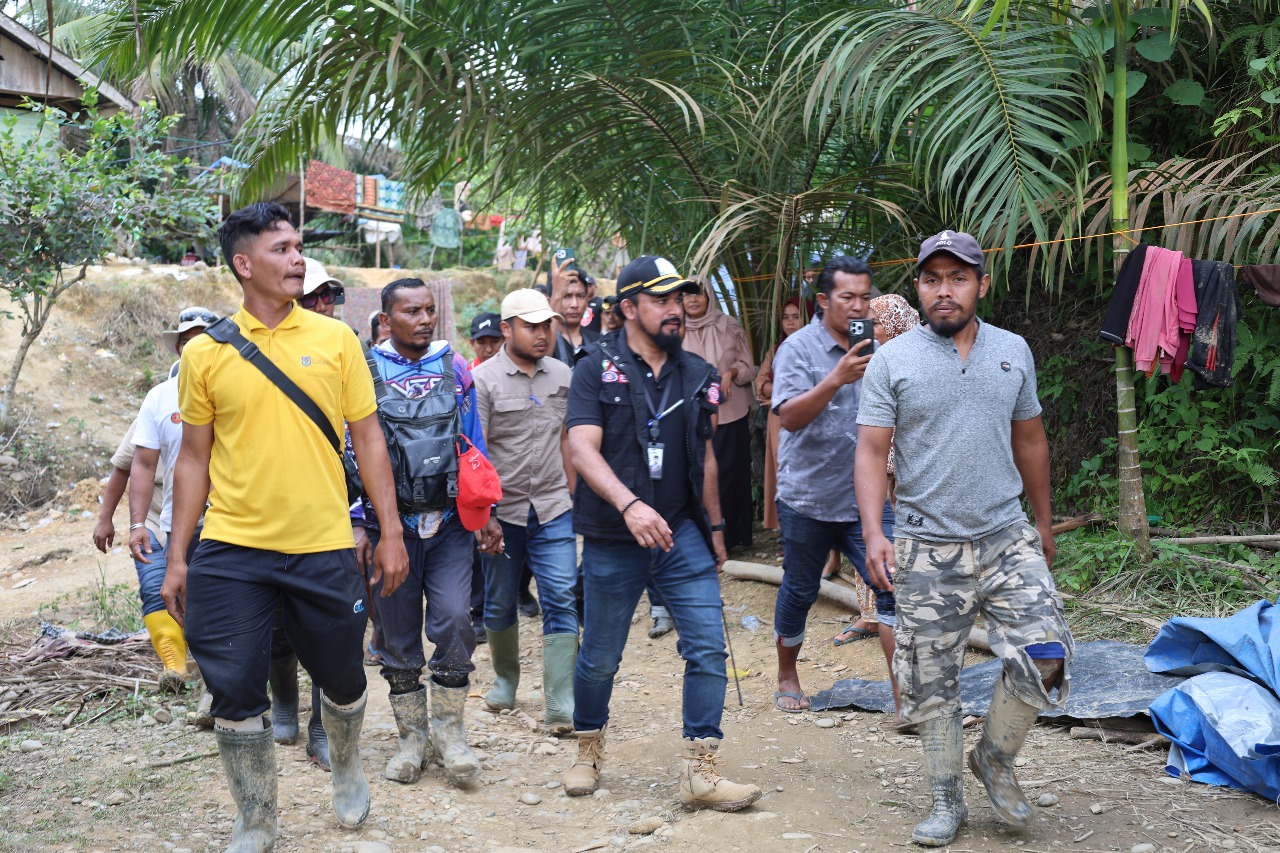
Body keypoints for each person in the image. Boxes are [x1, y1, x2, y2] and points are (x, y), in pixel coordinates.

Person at [164, 202, 409, 848]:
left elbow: (369, 439)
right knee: (232, 685)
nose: (298, 259)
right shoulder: (207, 353)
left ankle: (346, 761)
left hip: (322, 543)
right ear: (244, 264)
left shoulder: (336, 341)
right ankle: (256, 816)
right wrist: (178, 556)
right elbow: (193, 460)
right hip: (233, 547)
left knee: (344, 677)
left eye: (299, 247)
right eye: (282, 249)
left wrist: (390, 531)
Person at [854, 230, 1070, 847]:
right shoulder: (893, 360)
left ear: (981, 284)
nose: (944, 291)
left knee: (1047, 653)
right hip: (926, 542)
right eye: (932, 279)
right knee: (930, 677)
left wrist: (1043, 521)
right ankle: (946, 797)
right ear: (919, 287)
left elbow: (1030, 438)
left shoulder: (1013, 350)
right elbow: (870, 451)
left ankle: (994, 759)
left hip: (1005, 533)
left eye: (957, 278)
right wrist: (874, 532)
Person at [562, 255, 761, 812]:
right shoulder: (594, 367)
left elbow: (707, 457)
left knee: (708, 647)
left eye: (678, 299)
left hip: (680, 532)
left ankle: (701, 770)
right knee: (601, 655)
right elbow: (581, 448)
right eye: (661, 300)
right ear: (629, 308)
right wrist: (628, 505)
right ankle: (588, 748)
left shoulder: (697, 373)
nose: (675, 309)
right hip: (613, 534)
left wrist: (716, 528)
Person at [355, 277, 489, 788]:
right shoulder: (364, 372)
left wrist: (485, 510)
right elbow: (351, 449)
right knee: (396, 632)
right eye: (412, 311)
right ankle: (411, 738)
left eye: (430, 310)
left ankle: (451, 734)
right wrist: (358, 522)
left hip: (450, 523)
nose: (425, 319)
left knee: (455, 617)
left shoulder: (455, 367)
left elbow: (472, 441)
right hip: (389, 527)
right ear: (386, 320)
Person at [769, 256, 896, 714]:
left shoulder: (877, 350)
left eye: (865, 297)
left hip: (866, 499)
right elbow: (789, 417)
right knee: (800, 590)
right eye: (848, 297)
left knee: (893, 586)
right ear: (823, 300)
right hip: (807, 498)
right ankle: (787, 675)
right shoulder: (797, 349)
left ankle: (906, 695)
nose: (858, 306)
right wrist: (836, 377)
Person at [473, 289, 578, 733]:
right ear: (506, 329)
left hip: (553, 506)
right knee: (499, 600)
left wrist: (574, 493)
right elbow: (474, 453)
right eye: (531, 326)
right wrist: (485, 515)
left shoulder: (563, 375)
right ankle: (505, 681)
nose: (542, 334)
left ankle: (561, 702)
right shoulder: (483, 380)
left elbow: (568, 438)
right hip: (503, 512)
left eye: (546, 326)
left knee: (561, 596)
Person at [125, 307, 218, 694]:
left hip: (234, 519)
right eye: (187, 341)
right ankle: (208, 682)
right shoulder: (160, 398)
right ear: (179, 349)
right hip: (179, 524)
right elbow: (141, 464)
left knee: (227, 604)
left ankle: (224, 692)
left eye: (204, 338)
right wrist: (136, 524)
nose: (195, 346)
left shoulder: (238, 386)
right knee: (186, 603)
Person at [832, 293, 920, 646]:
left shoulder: (923, 357)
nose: (871, 329)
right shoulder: (863, 358)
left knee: (914, 533)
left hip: (914, 462)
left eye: (878, 323)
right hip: (874, 459)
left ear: (896, 326)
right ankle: (871, 613)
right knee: (871, 531)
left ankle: (915, 608)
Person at [681, 279, 756, 551]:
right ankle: (703, 537)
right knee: (697, 475)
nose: (693, 299)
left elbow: (748, 366)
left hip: (730, 413)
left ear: (709, 296)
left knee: (732, 474)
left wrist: (730, 372)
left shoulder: (728, 326)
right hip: (692, 417)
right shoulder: (675, 328)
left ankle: (735, 536)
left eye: (699, 294)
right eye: (687, 295)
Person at [755, 298, 804, 531]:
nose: (790, 322)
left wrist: (778, 393)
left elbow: (814, 387)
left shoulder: (814, 351)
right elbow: (761, 383)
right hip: (778, 418)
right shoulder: (775, 351)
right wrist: (783, 393)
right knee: (782, 467)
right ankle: (785, 527)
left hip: (806, 417)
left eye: (796, 316)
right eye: (786, 317)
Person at [549, 258, 600, 366]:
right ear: (551, 300)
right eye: (566, 296)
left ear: (587, 301)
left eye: (580, 296)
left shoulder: (599, 342)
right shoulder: (541, 344)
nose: (574, 304)